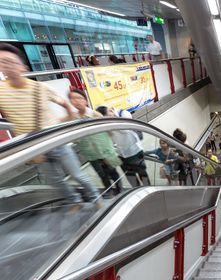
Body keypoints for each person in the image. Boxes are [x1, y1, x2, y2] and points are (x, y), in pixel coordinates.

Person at [0, 43, 100, 208]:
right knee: (55, 181)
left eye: (11, 62)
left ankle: (97, 199)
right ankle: (75, 202)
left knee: (78, 175)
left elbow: (68, 107)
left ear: (23, 67)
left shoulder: (41, 88)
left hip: (55, 141)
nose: (7, 66)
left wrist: (60, 124)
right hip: (33, 147)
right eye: (2, 63)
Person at [69, 89, 122, 197]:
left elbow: (110, 131)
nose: (76, 101)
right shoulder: (74, 118)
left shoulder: (95, 114)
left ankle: (119, 189)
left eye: (79, 98)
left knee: (113, 171)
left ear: (85, 100)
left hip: (105, 151)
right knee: (101, 174)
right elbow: (75, 137)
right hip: (91, 153)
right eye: (72, 99)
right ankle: (108, 189)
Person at [96, 106, 150, 187]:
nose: (107, 120)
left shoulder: (124, 114)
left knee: (143, 174)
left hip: (135, 151)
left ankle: (148, 189)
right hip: (121, 154)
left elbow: (126, 130)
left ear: (111, 110)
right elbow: (111, 138)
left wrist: (114, 119)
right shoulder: (106, 122)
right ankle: (137, 191)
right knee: (131, 177)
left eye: (107, 117)